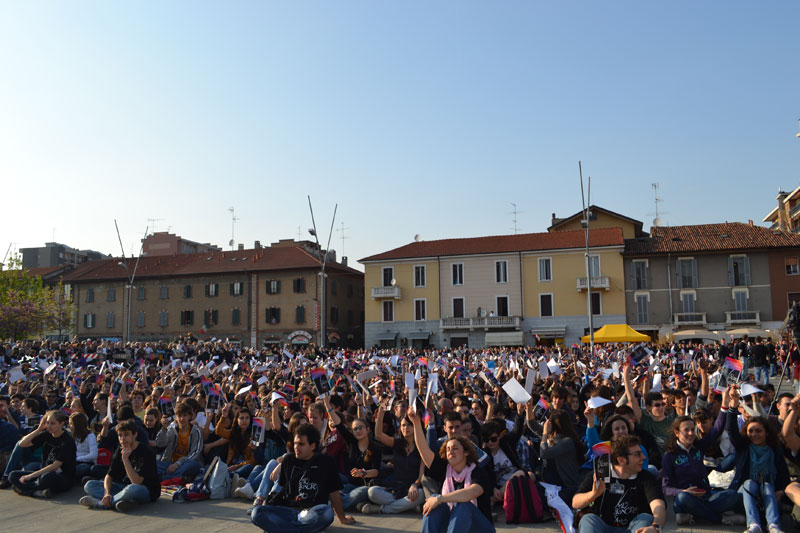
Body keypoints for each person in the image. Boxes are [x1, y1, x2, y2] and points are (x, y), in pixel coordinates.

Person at [250, 423, 355, 532]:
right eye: (295, 443)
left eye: (301, 444)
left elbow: (334, 494)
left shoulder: (326, 462)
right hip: (289, 511)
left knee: (327, 512)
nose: (296, 447)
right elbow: (283, 490)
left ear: (313, 446)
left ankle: (284, 529)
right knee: (257, 512)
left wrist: (342, 518)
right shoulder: (288, 460)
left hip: (312, 512)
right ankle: (299, 529)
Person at [410, 407, 495, 533]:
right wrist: (416, 423)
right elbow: (424, 450)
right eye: (448, 449)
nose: (450, 451)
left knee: (462, 504)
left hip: (480, 528)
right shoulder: (445, 469)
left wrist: (440, 499)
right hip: (453, 525)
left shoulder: (477, 471)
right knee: (433, 501)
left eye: (455, 448)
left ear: (466, 452)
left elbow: (472, 492)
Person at [661, 410, 743, 526]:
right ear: (676, 432)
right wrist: (683, 491)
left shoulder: (698, 447)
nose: (691, 433)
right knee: (683, 498)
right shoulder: (669, 456)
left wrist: (725, 406)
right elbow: (666, 488)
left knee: (734, 495)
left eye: (692, 429)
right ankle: (719, 519)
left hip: (706, 496)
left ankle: (695, 516)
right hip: (686, 500)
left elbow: (716, 430)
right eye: (686, 430)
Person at [725, 385, 789, 533]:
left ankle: (774, 526)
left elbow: (783, 471)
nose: (754, 434)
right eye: (751, 431)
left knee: (767, 486)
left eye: (758, 431)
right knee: (749, 483)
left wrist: (781, 490)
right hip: (744, 493)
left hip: (768, 493)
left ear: (766, 432)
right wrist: (733, 404)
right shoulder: (744, 447)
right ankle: (754, 525)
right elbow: (731, 430)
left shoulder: (774, 449)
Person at [572, 435, 666, 533]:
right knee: (588, 519)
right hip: (603, 527)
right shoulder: (600, 475)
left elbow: (658, 505)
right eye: (637, 454)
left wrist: (656, 528)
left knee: (646, 518)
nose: (644, 457)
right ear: (621, 460)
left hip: (632, 528)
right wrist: (593, 494)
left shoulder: (646, 477)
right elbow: (575, 503)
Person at [79, 419, 160, 512]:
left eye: (126, 435)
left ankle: (101, 504)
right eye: (120, 435)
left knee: (132, 489)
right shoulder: (120, 449)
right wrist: (107, 494)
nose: (122, 438)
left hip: (145, 490)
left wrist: (125, 459)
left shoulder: (146, 452)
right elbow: (109, 475)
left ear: (135, 435)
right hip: (123, 487)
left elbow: (136, 482)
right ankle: (121, 500)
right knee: (89, 485)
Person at [363, 401, 425, 514]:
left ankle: (382, 509)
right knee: (372, 492)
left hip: (412, 489)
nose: (406, 428)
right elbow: (378, 435)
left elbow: (421, 476)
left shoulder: (422, 446)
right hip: (395, 488)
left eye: (409, 424)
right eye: (403, 425)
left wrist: (414, 485)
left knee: (421, 494)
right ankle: (407, 506)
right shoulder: (397, 443)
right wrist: (381, 412)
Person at [8, 410, 76, 498]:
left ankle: (27, 490)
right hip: (43, 472)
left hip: (62, 477)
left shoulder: (67, 441)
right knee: (13, 475)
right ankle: (37, 491)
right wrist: (38, 429)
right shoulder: (47, 434)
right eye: (47, 423)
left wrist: (30, 476)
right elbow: (22, 444)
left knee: (46, 477)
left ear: (61, 423)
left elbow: (55, 466)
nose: (49, 426)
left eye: (52, 423)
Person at [154, 401, 203, 481]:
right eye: (179, 416)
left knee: (191, 464)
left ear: (189, 416)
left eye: (185, 415)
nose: (182, 419)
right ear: (175, 417)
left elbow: (195, 453)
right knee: (154, 463)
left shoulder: (196, 431)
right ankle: (175, 477)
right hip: (171, 463)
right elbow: (160, 443)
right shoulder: (171, 429)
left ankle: (166, 479)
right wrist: (164, 428)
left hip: (187, 463)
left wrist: (178, 464)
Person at [70, 412, 98, 481]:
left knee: (81, 469)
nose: (69, 426)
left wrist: (77, 459)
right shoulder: (72, 436)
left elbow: (93, 455)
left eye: (71, 424)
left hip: (86, 463)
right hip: (74, 461)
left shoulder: (90, 436)